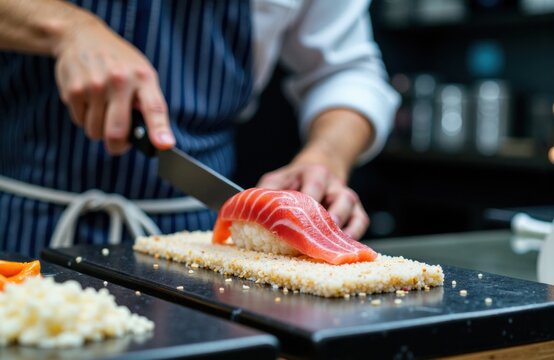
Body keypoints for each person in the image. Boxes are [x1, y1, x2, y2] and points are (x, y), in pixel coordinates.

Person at [0, 0, 399, 256]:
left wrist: (326, 155)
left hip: (199, 244)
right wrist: (67, 27)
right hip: (18, 227)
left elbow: (345, 71)